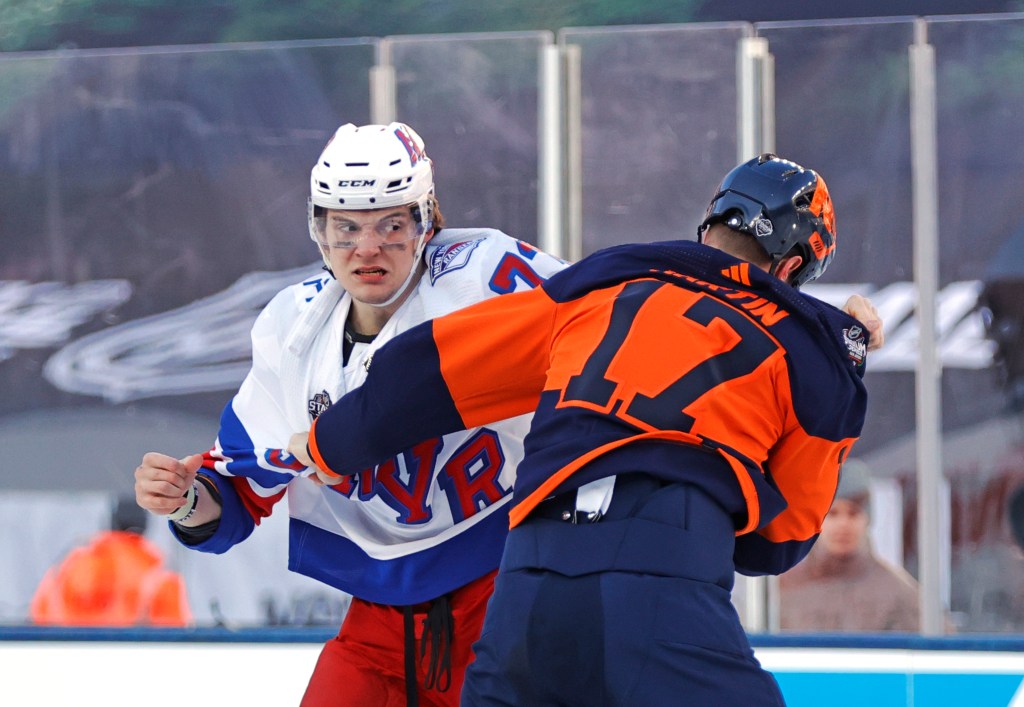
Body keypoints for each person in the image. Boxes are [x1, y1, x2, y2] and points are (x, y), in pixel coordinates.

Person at [297, 153, 877, 705]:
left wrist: (333, 441)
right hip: (666, 573)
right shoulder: (813, 353)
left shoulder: (603, 283)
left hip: (527, 579)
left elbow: (438, 366)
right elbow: (776, 543)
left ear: (709, 228)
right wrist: (843, 354)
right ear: (793, 266)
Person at [133, 122, 567, 706]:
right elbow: (238, 492)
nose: (367, 249)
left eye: (392, 224)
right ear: (319, 232)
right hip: (378, 625)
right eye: (347, 227)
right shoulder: (293, 330)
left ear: (427, 220)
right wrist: (185, 499)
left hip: (505, 602)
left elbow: (605, 335)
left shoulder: (487, 278)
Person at [779, 458, 921, 632]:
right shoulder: (784, 589)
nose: (843, 524)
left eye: (853, 513)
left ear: (867, 519)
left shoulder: (899, 592)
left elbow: (940, 651)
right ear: (816, 520)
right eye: (832, 514)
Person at [31, 495, 191, 627]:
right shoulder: (159, 572)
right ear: (145, 525)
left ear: (111, 521)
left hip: (64, 657)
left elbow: (40, 614)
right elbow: (173, 634)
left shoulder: (70, 564)